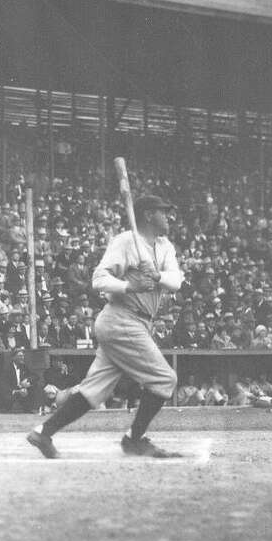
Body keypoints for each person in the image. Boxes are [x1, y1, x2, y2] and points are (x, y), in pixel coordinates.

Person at [26, 194, 185, 459]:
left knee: (93, 391)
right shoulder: (125, 242)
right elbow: (99, 279)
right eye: (163, 212)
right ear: (148, 215)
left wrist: (156, 276)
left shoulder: (165, 246)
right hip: (121, 318)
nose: (168, 217)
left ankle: (43, 432)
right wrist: (128, 285)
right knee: (165, 379)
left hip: (138, 322)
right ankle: (135, 439)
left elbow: (176, 281)